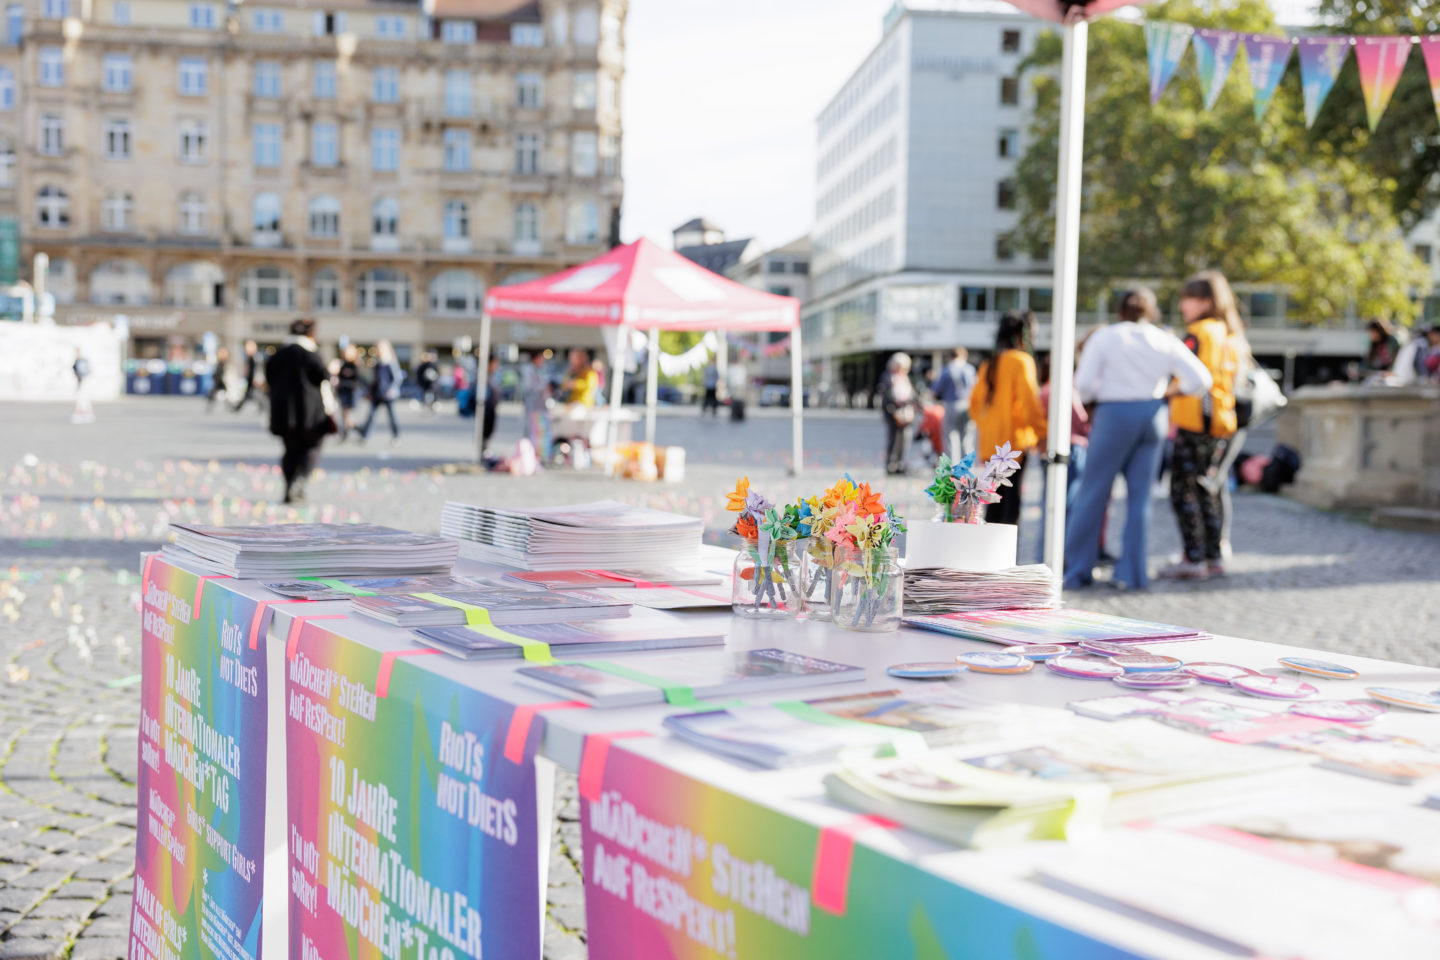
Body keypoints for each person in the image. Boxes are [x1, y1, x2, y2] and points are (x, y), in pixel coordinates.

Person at [1063, 288, 1213, 590]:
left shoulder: (1106, 337)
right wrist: (1169, 392)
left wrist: (1099, 400)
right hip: (1153, 414)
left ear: (1120, 311)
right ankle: (1132, 574)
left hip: (1114, 414)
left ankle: (1079, 570)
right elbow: (1201, 380)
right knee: (1140, 500)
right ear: (1152, 312)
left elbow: (1083, 385)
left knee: (1093, 493)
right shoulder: (1164, 338)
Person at [1161, 271, 1245, 580]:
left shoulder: (1197, 333)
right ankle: (1213, 556)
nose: (1183, 305)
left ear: (1204, 301)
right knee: (1207, 489)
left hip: (1195, 420)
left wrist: (1164, 392)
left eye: (1188, 298)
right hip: (1222, 421)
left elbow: (1182, 375)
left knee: (1183, 490)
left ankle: (1193, 557)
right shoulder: (1229, 333)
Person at [970, 311, 1046, 526]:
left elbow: (974, 404)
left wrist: (989, 425)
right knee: (1010, 507)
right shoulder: (1021, 361)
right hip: (1013, 444)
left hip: (991, 443)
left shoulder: (990, 364)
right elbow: (1030, 404)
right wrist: (1042, 433)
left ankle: (988, 554)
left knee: (994, 504)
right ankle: (1004, 557)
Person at [265, 318, 332, 504]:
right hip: (310, 413)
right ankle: (298, 482)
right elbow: (323, 375)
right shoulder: (310, 354)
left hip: (283, 413)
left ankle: (289, 487)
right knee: (312, 447)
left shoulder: (277, 355)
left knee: (289, 449)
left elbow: (268, 378)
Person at [931, 347, 977, 462]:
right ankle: (967, 468)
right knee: (967, 438)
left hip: (951, 404)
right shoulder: (969, 369)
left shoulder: (946, 370)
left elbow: (936, 391)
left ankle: (953, 467)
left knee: (950, 438)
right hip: (968, 404)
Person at [879, 353, 918, 474]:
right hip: (893, 412)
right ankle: (891, 463)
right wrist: (894, 412)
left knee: (904, 438)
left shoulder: (904, 378)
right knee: (894, 438)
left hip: (905, 413)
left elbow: (912, 395)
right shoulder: (888, 377)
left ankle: (900, 463)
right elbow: (887, 397)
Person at [358, 340, 403, 443]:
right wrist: (369, 391)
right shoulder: (377, 362)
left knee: (392, 416)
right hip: (377, 394)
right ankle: (365, 436)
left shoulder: (391, 362)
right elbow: (373, 379)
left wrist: (391, 389)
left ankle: (396, 436)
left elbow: (396, 378)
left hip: (387, 394)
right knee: (371, 416)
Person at [521, 351, 552, 457]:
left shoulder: (541, 370)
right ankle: (529, 452)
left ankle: (539, 453)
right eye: (540, 359)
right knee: (531, 429)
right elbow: (529, 386)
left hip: (541, 405)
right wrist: (542, 388)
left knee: (540, 430)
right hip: (532, 404)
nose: (542, 361)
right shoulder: (528, 370)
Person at [334, 344, 361, 440]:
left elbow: (357, 380)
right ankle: (352, 430)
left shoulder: (355, 365)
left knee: (346, 415)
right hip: (343, 392)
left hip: (351, 392)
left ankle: (350, 431)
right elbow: (338, 376)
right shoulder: (342, 364)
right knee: (345, 415)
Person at [480, 356, 502, 455]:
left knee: (490, 430)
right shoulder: (484, 376)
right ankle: (484, 450)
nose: (496, 366)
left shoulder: (493, 376)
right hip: (486, 408)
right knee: (485, 430)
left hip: (492, 407)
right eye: (494, 363)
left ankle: (485, 449)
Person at [232, 340, 261, 413]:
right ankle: (237, 408)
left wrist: (256, 379)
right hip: (250, 380)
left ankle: (238, 408)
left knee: (255, 395)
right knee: (249, 395)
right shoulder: (250, 358)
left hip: (252, 380)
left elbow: (257, 370)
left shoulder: (255, 358)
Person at [71, 349, 94, 423]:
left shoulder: (81, 361)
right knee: (83, 398)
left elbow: (82, 372)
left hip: (82, 381)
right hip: (82, 381)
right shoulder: (80, 360)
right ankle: (85, 414)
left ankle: (82, 414)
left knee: (82, 398)